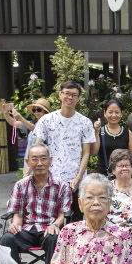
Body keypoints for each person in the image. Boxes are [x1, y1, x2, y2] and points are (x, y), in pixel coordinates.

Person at [0, 143, 72, 264]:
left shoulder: (61, 185)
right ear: (28, 162)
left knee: (55, 238)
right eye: (35, 159)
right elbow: (17, 214)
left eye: (43, 158)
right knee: (6, 238)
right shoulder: (21, 185)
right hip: (27, 228)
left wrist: (55, 224)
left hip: (49, 228)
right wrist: (15, 225)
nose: (39, 163)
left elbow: (64, 213)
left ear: (50, 161)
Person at [34, 82, 95, 221]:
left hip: (76, 180)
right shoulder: (46, 120)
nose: (70, 97)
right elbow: (37, 149)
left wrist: (78, 178)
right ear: (60, 94)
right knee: (52, 218)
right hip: (51, 178)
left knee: (77, 219)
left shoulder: (85, 122)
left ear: (78, 98)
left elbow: (86, 153)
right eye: (67, 93)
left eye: (74, 95)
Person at [2, 98, 51, 176]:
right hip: (30, 162)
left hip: (41, 164)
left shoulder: (48, 125)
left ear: (45, 111)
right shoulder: (31, 123)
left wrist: (20, 117)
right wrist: (5, 113)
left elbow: (35, 129)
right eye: (34, 110)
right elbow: (13, 123)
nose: (36, 112)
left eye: (39, 110)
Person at [90, 100, 132, 175]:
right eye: (110, 112)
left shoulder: (127, 133)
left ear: (121, 114)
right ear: (105, 113)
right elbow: (93, 152)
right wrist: (96, 131)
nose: (114, 115)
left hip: (122, 176)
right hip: (103, 176)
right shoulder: (100, 131)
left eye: (117, 112)